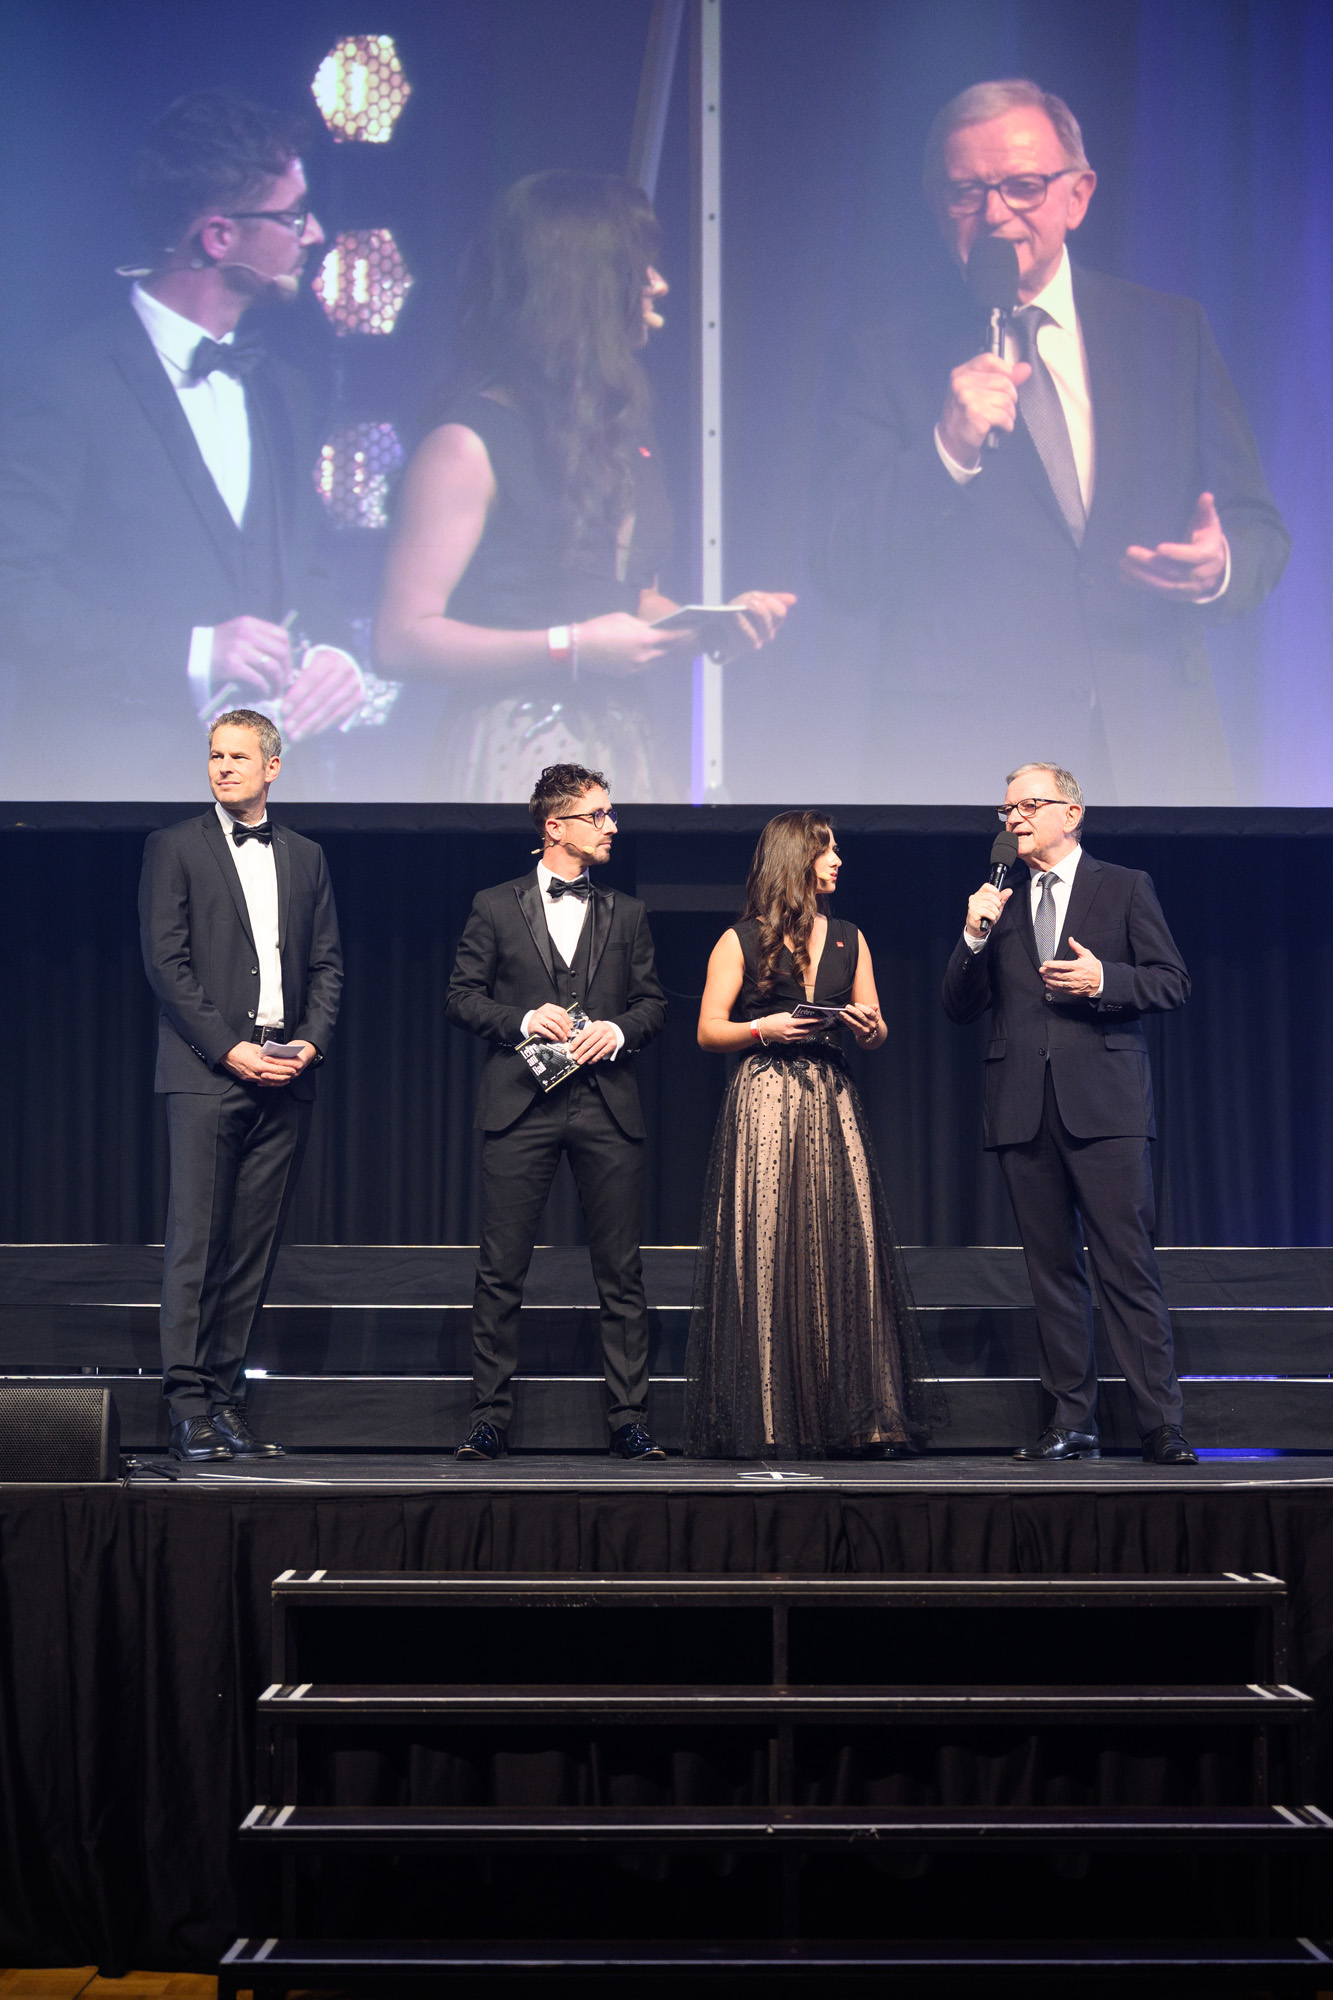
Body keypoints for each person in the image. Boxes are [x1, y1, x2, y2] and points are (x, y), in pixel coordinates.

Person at [816, 77, 1290, 805]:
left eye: (1023, 186)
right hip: (969, 763)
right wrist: (945, 451)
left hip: (1157, 749)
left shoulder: (1169, 333)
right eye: (966, 192)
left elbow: (1258, 530)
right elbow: (842, 566)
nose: (994, 212)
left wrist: (1218, 567)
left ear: (1078, 195)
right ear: (938, 208)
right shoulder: (885, 353)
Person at [374, 170, 794, 800]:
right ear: (584, 285)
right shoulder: (467, 444)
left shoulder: (615, 430)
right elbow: (400, 640)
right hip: (517, 753)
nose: (659, 284)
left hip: (621, 743)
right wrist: (566, 649)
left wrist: (710, 627)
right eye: (639, 268)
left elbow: (623, 600)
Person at [0, 90, 366, 799]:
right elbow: (12, 596)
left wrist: (335, 654)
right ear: (219, 237)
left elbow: (307, 566)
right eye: (293, 215)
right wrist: (194, 651)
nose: (315, 233)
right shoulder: (66, 384)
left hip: (268, 800)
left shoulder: (281, 389)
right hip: (109, 792)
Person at [942, 762, 1195, 1463]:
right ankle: (1071, 1419)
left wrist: (1103, 979)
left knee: (1126, 1265)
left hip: (1105, 1105)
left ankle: (1160, 1423)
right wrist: (973, 935)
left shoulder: (1123, 887)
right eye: (1006, 810)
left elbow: (1171, 982)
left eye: (1029, 805)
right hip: (1022, 1106)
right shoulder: (999, 900)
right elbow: (957, 1007)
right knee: (1051, 1271)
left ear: (1071, 813)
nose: (1014, 819)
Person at [685, 812, 941, 1460]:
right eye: (826, 850)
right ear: (795, 859)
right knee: (768, 1248)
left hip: (830, 1094)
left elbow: (877, 1028)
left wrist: (868, 1028)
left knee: (846, 1245)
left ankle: (864, 1419)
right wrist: (761, 1028)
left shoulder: (850, 937)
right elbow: (708, 1029)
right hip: (766, 1094)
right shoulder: (740, 940)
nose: (837, 861)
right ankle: (772, 1419)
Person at [445, 762, 668, 1458]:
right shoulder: (494, 905)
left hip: (606, 1105)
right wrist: (520, 1019)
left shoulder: (627, 912)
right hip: (521, 1105)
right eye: (598, 815)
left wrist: (620, 1030)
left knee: (620, 1272)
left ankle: (628, 1419)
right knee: (501, 1270)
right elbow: (460, 997)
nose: (612, 826)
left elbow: (652, 1004)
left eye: (609, 814)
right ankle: (489, 1419)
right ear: (555, 826)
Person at [138, 708, 342, 1461]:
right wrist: (228, 1049)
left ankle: (225, 1402)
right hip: (205, 1073)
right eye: (214, 755)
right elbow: (166, 965)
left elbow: (326, 965)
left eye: (237, 757)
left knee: (251, 1250)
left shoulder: (305, 856)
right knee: (197, 1244)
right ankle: (186, 1407)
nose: (222, 767)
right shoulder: (174, 846)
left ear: (271, 768)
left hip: (284, 1075)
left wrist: (311, 1042)